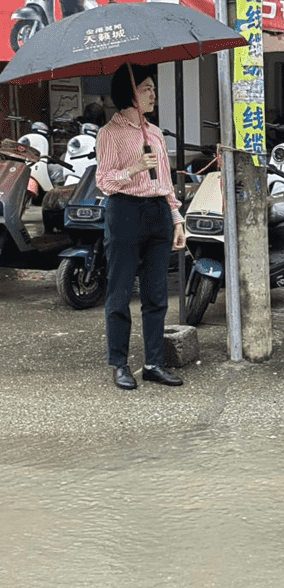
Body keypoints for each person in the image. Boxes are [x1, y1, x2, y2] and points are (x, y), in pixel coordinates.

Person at [97, 64, 186, 390]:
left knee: (157, 294)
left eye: (152, 88)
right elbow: (104, 181)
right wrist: (134, 167)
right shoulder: (109, 133)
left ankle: (153, 364)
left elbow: (165, 181)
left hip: (158, 213)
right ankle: (119, 364)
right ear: (130, 93)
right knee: (120, 294)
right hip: (125, 212)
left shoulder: (155, 132)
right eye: (146, 87)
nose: (152, 94)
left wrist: (176, 217)